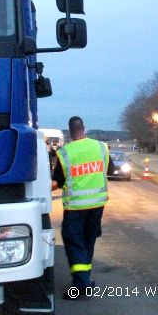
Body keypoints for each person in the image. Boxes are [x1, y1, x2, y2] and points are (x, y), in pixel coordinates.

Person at [52, 116, 115, 300]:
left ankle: (82, 284)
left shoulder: (65, 153)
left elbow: (58, 182)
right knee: (88, 240)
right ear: (84, 128)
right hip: (97, 205)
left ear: (70, 132)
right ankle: (84, 278)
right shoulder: (101, 147)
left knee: (74, 242)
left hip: (76, 207)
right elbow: (109, 171)